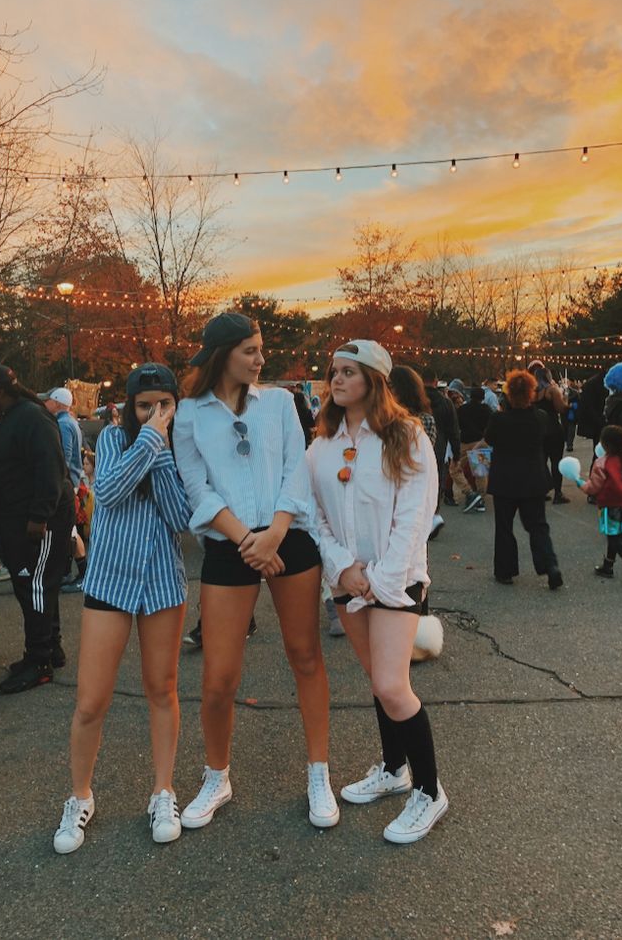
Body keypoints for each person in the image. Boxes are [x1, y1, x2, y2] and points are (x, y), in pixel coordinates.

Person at [173, 312, 338, 830]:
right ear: (223, 354)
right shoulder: (189, 414)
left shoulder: (282, 405)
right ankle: (216, 775)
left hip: (287, 535)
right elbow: (196, 487)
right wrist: (247, 539)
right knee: (219, 676)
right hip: (231, 545)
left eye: (260, 349)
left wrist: (274, 533)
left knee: (305, 655)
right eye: (250, 350)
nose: (260, 359)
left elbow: (298, 468)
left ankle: (319, 772)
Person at [306, 340, 448, 844]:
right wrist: (343, 569)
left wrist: (380, 581)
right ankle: (394, 769)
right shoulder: (321, 443)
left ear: (374, 379)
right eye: (333, 372)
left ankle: (429, 791)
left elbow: (415, 515)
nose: (336, 380)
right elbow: (312, 513)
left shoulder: (406, 436)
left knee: (393, 685)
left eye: (348, 372)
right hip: (347, 582)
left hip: (395, 581)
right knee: (377, 680)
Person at [53, 364, 192, 853]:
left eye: (165, 404)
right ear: (130, 407)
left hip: (161, 582)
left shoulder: (179, 448)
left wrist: (164, 453)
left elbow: (181, 519)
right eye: (144, 405)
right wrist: (152, 442)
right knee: (91, 699)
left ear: (177, 402)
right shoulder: (113, 439)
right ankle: (79, 796)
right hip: (110, 578)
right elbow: (108, 491)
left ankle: (163, 790)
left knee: (162, 689)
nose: (155, 413)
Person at [0, 363, 75, 694]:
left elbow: (51, 468)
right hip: (19, 519)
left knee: (35, 586)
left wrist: (39, 516)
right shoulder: (10, 417)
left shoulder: (30, 416)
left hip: (41, 520)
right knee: (35, 586)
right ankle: (51, 647)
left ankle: (39, 661)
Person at [484, 370, 563, 589]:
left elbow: (489, 439)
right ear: (530, 392)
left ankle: (505, 570)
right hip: (533, 478)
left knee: (504, 527)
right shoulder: (540, 418)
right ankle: (550, 565)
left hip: (505, 480)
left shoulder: (498, 419)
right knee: (538, 526)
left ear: (508, 393)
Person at [43, 387, 87, 593]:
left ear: (58, 403)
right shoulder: (71, 422)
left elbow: (65, 456)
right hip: (73, 480)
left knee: (70, 530)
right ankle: (70, 573)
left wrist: (59, 481)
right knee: (69, 530)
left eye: (49, 400)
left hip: (67, 482)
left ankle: (83, 574)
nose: (46, 403)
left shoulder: (62, 424)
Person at [576, 425, 622, 577]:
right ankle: (608, 565)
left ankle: (610, 565)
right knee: (618, 535)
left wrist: (579, 482)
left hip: (611, 506)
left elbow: (593, 488)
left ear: (605, 444)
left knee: (613, 536)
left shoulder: (601, 463)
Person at [420, 366, 462, 537]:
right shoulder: (446, 403)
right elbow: (454, 429)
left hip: (418, 446)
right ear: (436, 382)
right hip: (440, 448)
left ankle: (421, 518)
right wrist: (456, 453)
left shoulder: (416, 400)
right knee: (436, 482)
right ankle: (433, 514)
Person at [528, 361, 569, 504]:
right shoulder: (552, 390)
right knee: (556, 461)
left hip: (538, 430)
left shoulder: (531, 392)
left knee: (541, 462)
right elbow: (560, 408)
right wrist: (566, 399)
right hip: (553, 429)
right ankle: (558, 493)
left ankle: (541, 491)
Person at [455, 387, 493, 512]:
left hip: (465, 442)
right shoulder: (486, 410)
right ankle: (480, 498)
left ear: (470, 396)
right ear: (482, 398)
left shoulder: (462, 409)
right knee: (481, 473)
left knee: (455, 469)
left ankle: (469, 492)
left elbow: (458, 425)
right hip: (480, 442)